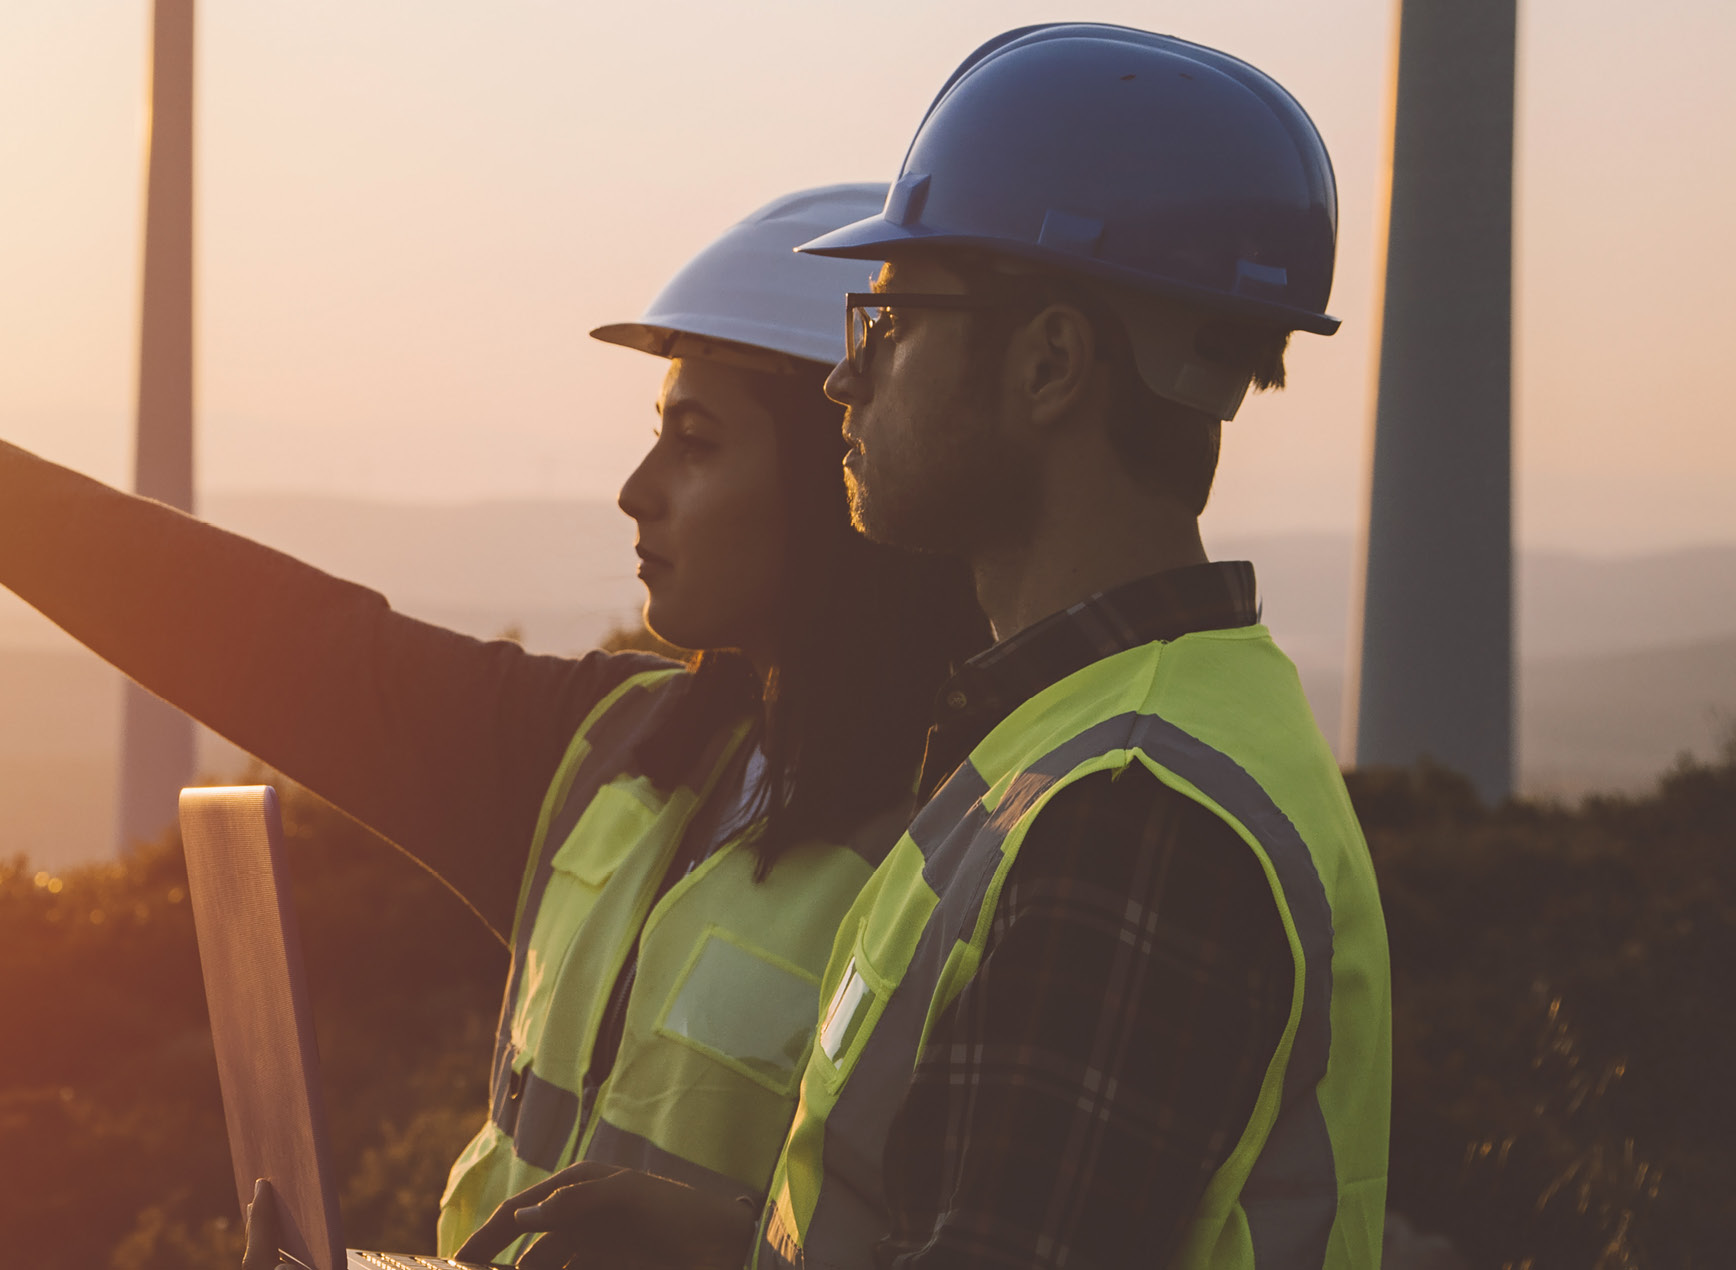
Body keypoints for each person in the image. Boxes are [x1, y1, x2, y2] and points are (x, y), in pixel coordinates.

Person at [0, 184, 987, 1259]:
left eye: (694, 444)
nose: (635, 491)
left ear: (839, 480)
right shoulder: (606, 754)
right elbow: (251, 631)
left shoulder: (973, 840)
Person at [463, 24, 1395, 1270]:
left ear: (1049, 361)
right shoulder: (1084, 742)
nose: (846, 380)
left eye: (889, 320)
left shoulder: (1127, 813)